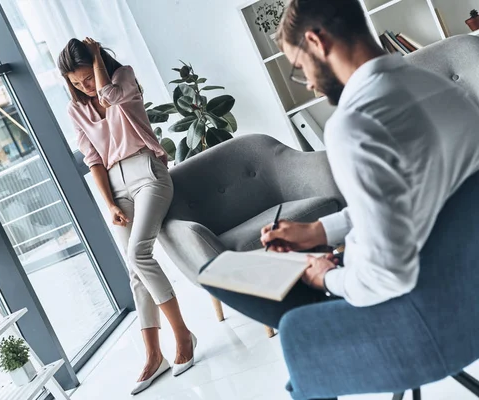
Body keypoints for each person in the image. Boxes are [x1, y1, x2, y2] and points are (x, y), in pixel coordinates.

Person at [201, 0, 479, 398]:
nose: (309, 83)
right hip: (468, 295)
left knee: (251, 292)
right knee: (248, 279)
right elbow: (418, 196)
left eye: (300, 67)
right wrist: (318, 230)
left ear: (316, 41)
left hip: (424, 323)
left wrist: (327, 276)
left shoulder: (357, 123)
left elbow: (387, 276)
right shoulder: (439, 88)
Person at [58, 38, 197, 395]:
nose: (85, 87)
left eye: (86, 76)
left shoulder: (124, 78)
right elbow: (92, 160)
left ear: (98, 63)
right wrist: (110, 204)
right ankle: (154, 355)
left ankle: (182, 336)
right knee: (134, 271)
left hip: (147, 173)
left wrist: (96, 63)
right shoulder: (77, 111)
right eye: (76, 83)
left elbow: (108, 95)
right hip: (116, 188)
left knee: (139, 254)